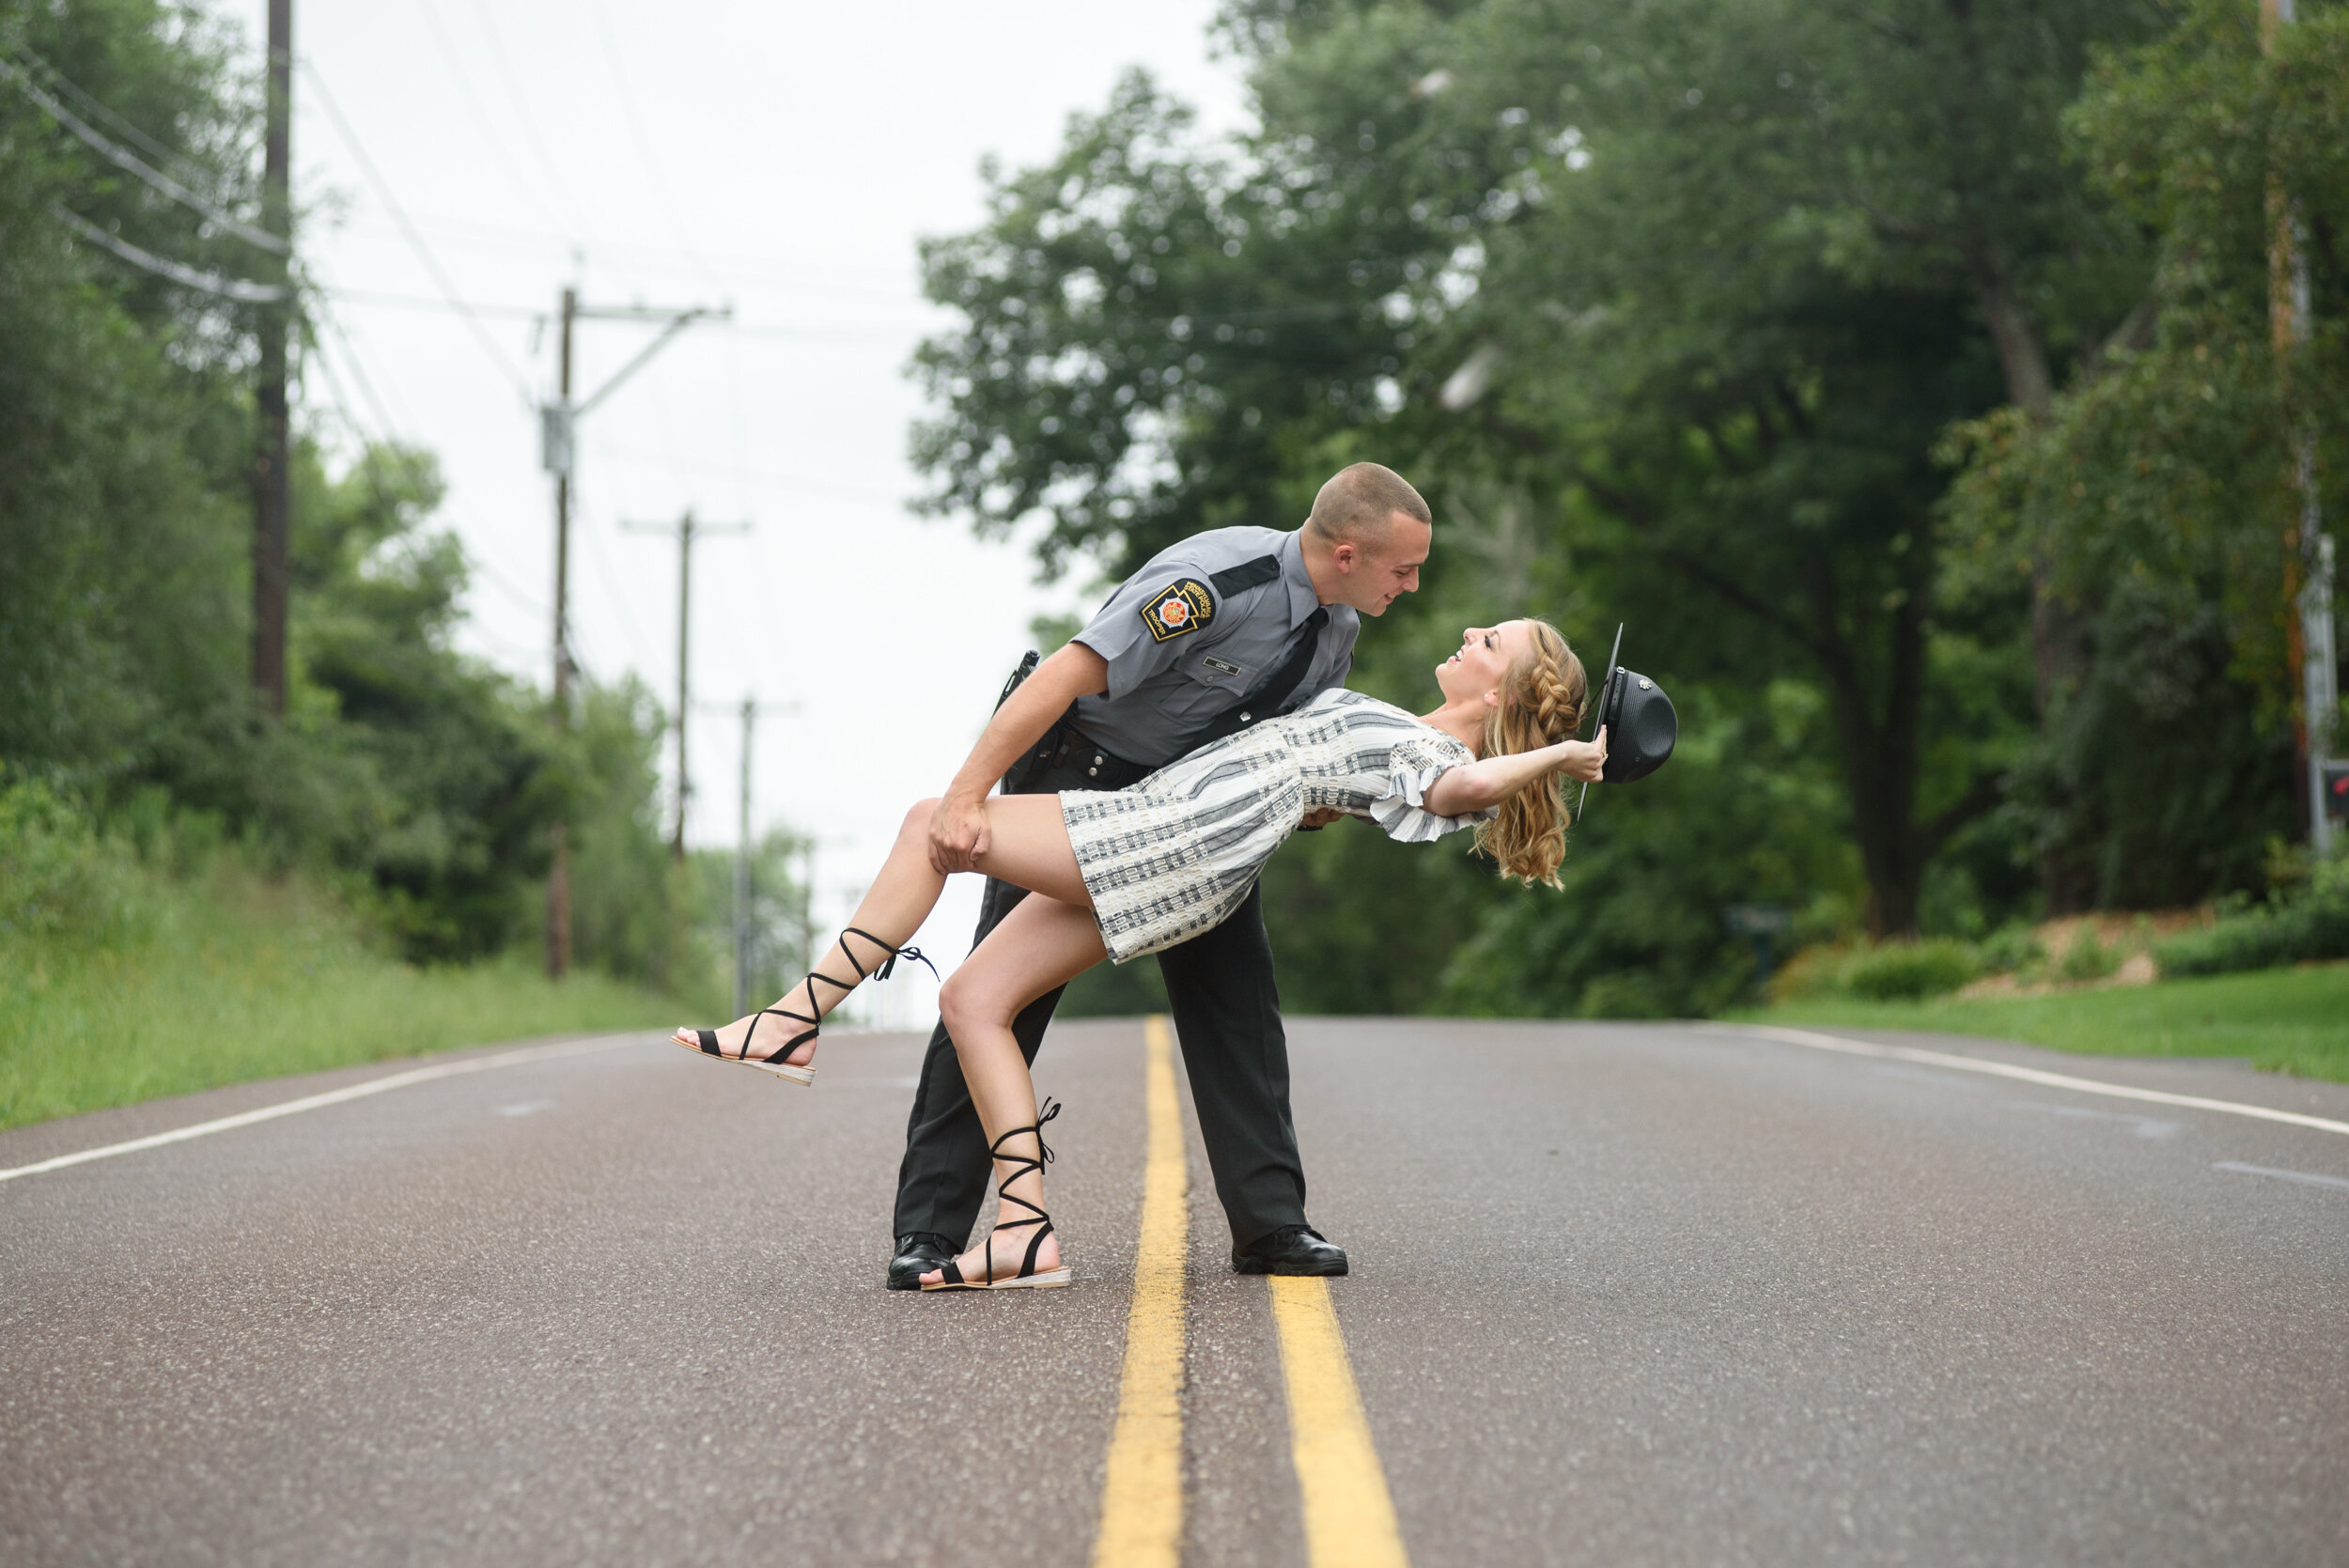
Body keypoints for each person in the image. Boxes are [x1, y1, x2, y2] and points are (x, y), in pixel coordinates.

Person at [675, 617, 1604, 1290]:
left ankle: (792, 1020)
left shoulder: (1436, 758)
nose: (1471, 630)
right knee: (970, 1000)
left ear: (1503, 693)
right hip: (1177, 849)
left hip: (1168, 835)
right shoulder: (1412, 738)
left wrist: (1557, 753)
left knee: (933, 820)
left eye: (1492, 642)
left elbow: (1461, 788)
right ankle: (1022, 1232)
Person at [886, 463, 1434, 1291]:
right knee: (1001, 994)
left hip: (1190, 816)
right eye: (1404, 568)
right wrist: (965, 797)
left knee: (1238, 1000)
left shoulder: (1337, 633)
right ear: (1349, 553)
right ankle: (928, 1230)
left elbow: (1277, 754)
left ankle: (1271, 1225)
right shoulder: (1215, 582)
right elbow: (1064, 675)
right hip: (1083, 779)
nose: (1415, 584)